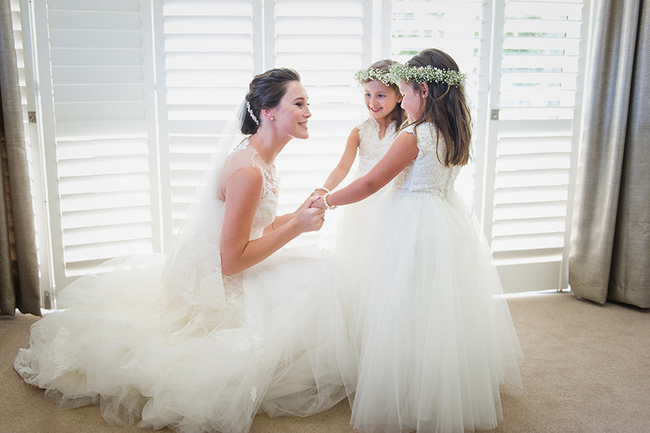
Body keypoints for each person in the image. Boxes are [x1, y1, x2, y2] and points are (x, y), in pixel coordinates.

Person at [14, 68, 356, 433]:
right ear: (269, 112)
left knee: (320, 271)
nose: (308, 112)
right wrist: (297, 227)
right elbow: (231, 262)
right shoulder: (249, 171)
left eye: (308, 104)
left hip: (229, 261)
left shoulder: (262, 160)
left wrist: (298, 215)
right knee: (317, 283)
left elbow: (258, 227)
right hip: (221, 282)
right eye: (299, 103)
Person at [315, 49, 524, 433]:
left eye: (402, 90)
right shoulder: (452, 129)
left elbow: (370, 182)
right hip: (445, 220)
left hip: (410, 221)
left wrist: (327, 200)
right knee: (437, 307)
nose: (399, 98)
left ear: (422, 91)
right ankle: (440, 383)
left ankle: (408, 387)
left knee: (403, 305)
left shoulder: (414, 134)